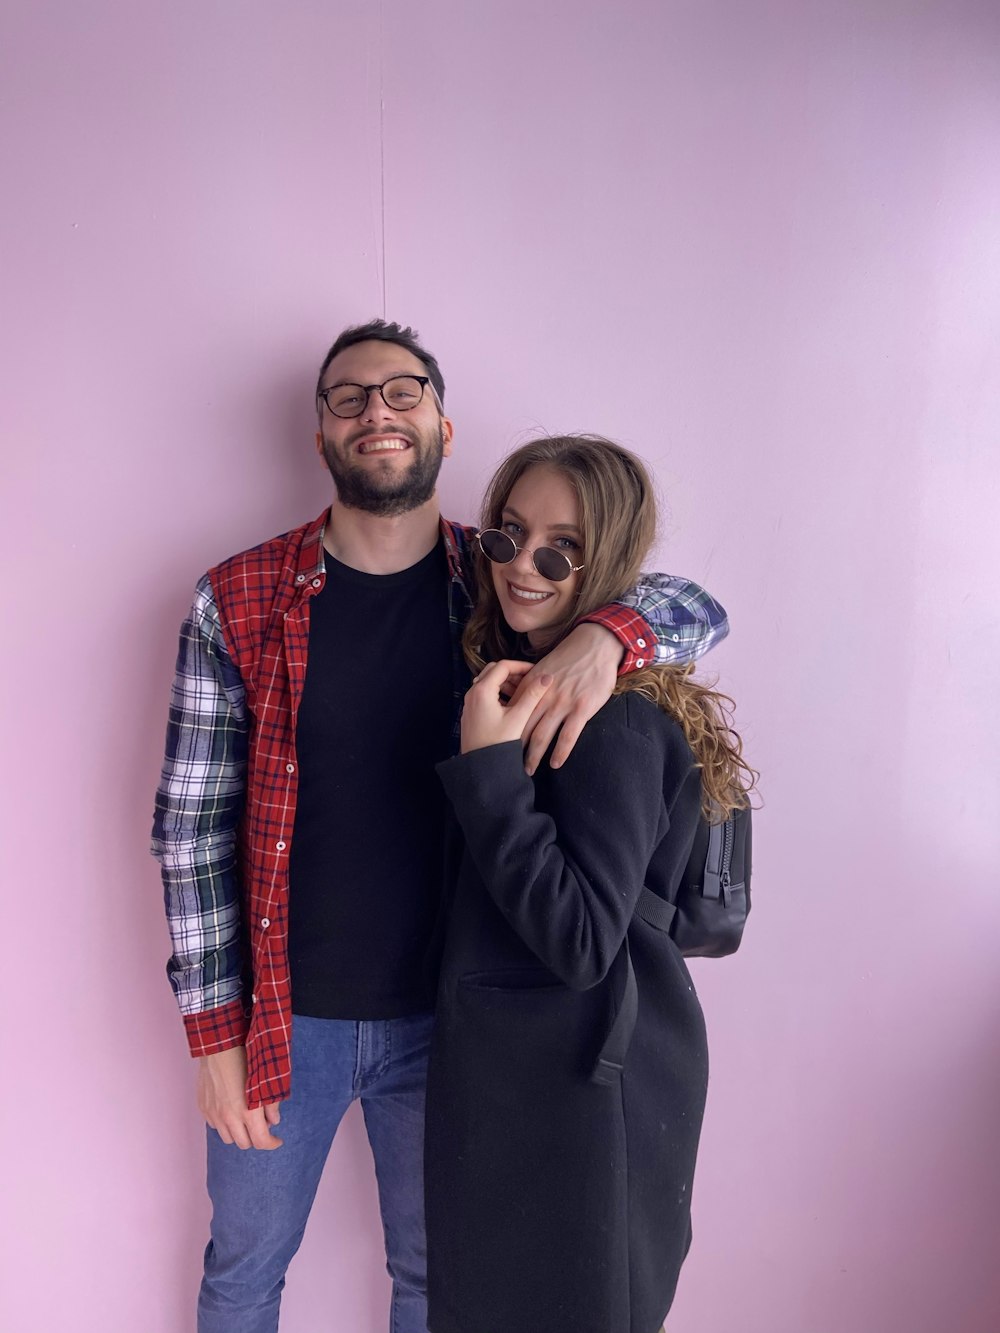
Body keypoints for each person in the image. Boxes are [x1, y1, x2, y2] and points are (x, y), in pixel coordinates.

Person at [151, 322, 730, 1333]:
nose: (377, 409)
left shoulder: (500, 578)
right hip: (288, 1016)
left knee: (442, 1280)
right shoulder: (238, 597)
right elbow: (192, 825)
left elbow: (694, 603)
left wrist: (608, 635)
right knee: (243, 1268)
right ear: (322, 431)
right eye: (349, 396)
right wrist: (212, 1034)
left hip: (456, 1023)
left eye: (402, 391)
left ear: (441, 425)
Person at [425, 434, 756, 1333]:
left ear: (606, 557)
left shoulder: (611, 719)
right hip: (536, 1084)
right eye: (508, 535)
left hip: (579, 1097)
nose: (523, 567)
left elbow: (580, 941)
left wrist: (491, 771)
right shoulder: (532, 676)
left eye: (560, 548)